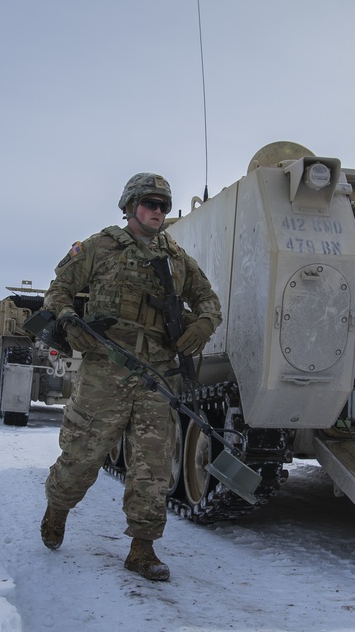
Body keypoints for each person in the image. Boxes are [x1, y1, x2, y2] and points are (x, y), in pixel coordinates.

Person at [40, 172, 221, 582]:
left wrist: (203, 325)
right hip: (108, 366)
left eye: (163, 206)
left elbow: (208, 300)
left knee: (153, 467)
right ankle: (57, 508)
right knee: (83, 454)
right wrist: (68, 320)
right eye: (150, 204)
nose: (158, 212)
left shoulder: (176, 258)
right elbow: (58, 291)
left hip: (157, 373)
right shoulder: (99, 247)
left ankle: (142, 549)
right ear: (130, 206)